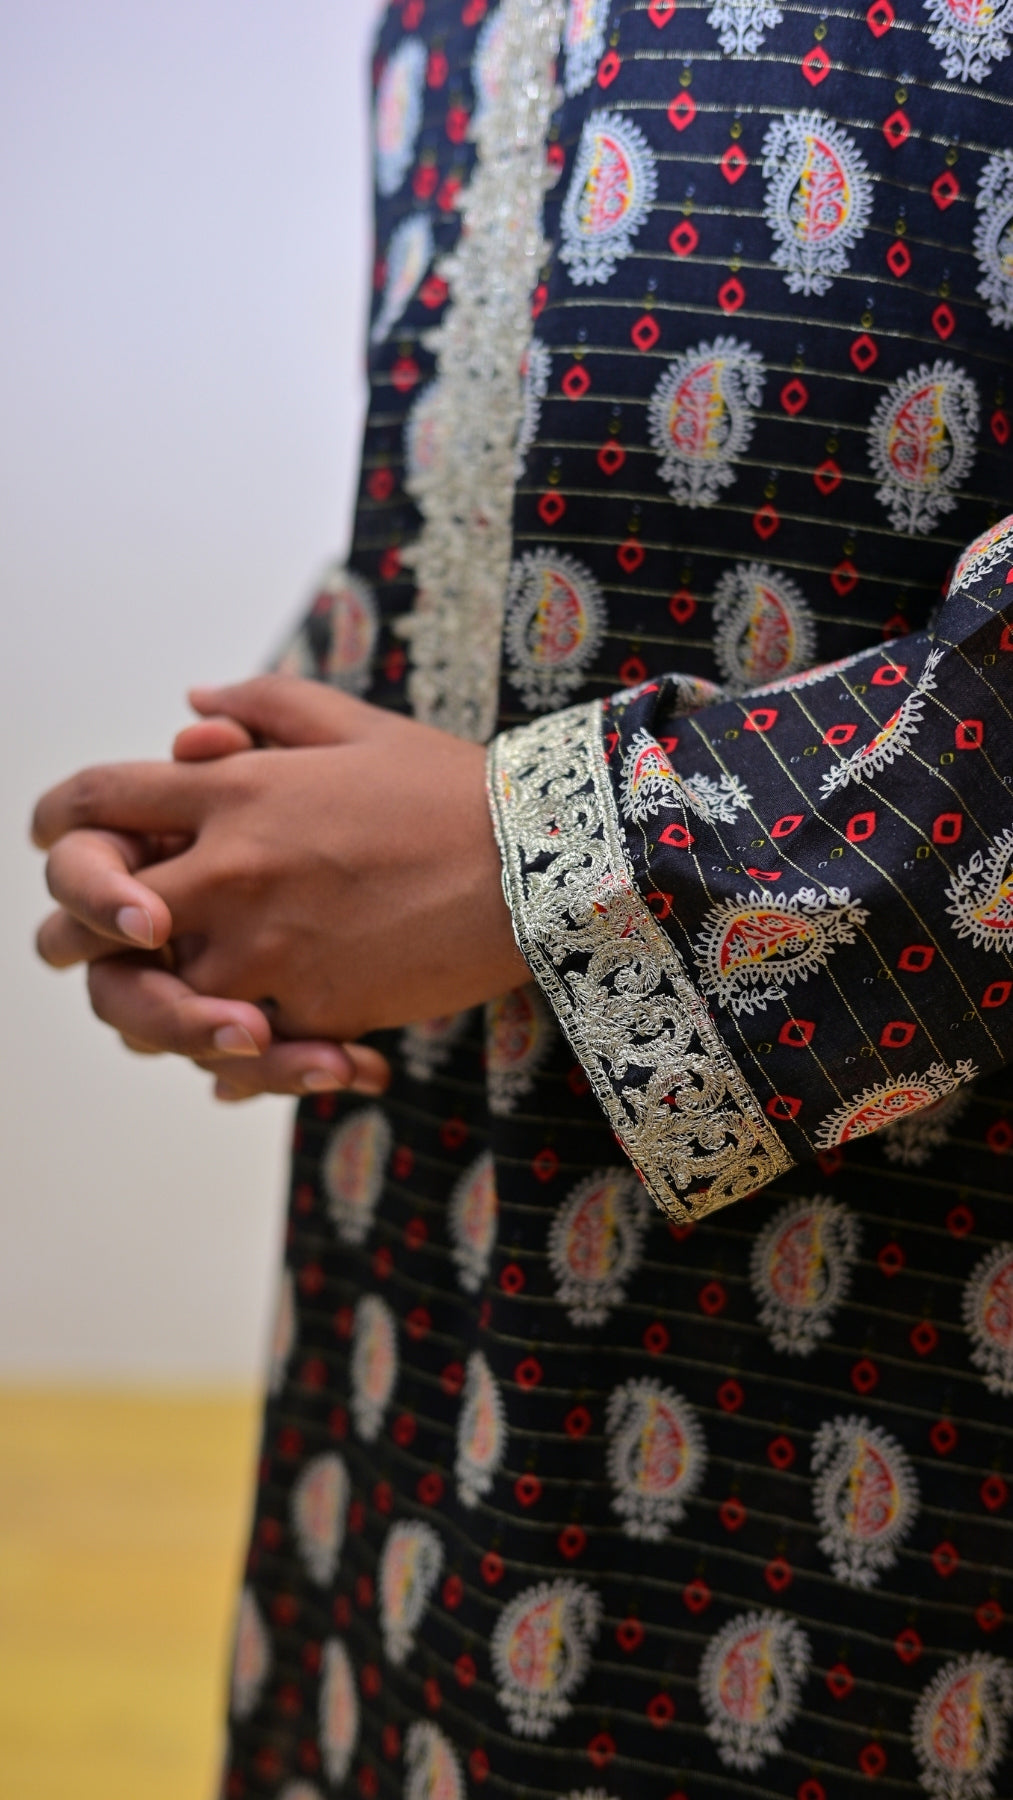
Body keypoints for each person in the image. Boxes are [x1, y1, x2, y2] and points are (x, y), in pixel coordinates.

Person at [31, 2, 1013, 1796]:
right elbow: (539, 505)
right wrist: (242, 844)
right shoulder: (434, 24)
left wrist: (542, 853)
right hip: (427, 1265)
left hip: (919, 1298)